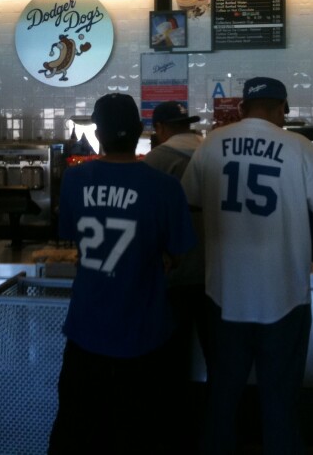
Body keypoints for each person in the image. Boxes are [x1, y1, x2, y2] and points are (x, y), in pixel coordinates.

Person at [182, 77, 313, 454]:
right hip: (284, 297)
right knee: (281, 404)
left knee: (221, 401)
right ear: (281, 108)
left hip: (223, 295)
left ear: (242, 109)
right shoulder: (300, 147)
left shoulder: (211, 145)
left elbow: (189, 200)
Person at [48, 93, 196, 455]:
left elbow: (74, 237)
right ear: (143, 131)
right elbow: (179, 252)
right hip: (144, 333)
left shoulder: (74, 179)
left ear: (98, 134)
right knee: (138, 434)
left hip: (86, 329)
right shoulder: (165, 188)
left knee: (76, 432)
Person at [143, 100, 207, 450]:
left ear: (162, 129)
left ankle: (171, 436)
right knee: (217, 360)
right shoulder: (214, 153)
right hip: (219, 276)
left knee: (171, 362)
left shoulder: (156, 161)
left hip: (173, 278)